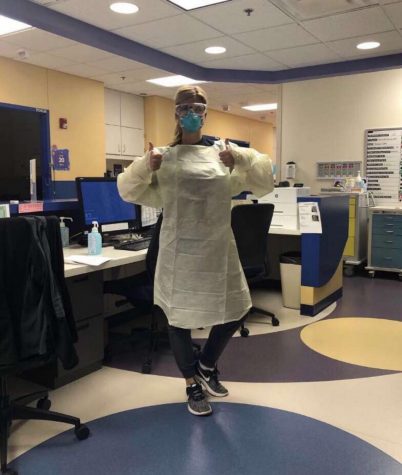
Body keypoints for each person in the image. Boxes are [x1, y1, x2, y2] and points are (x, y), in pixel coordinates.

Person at [117, 85, 274, 416]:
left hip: (219, 245)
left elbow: (265, 179)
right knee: (178, 318)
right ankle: (191, 382)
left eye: (198, 107)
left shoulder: (224, 154)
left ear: (206, 112)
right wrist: (147, 165)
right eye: (185, 106)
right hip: (178, 249)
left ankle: (205, 364)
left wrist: (241, 157)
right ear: (176, 113)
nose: (192, 112)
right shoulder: (163, 156)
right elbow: (128, 189)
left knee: (238, 307)